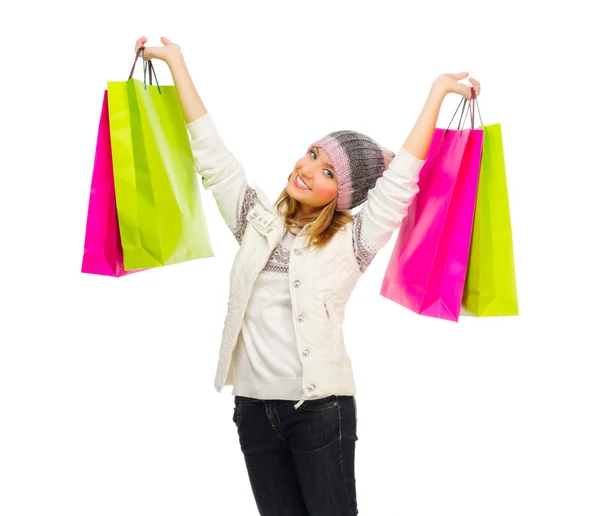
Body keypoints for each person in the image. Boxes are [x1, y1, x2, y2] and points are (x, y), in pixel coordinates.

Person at [134, 35, 481, 516]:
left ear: (343, 196)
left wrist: (436, 95)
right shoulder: (254, 219)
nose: (309, 168)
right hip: (253, 411)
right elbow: (211, 156)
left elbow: (401, 181)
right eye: (312, 154)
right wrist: (176, 63)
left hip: (321, 412)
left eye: (329, 173)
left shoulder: (351, 243)